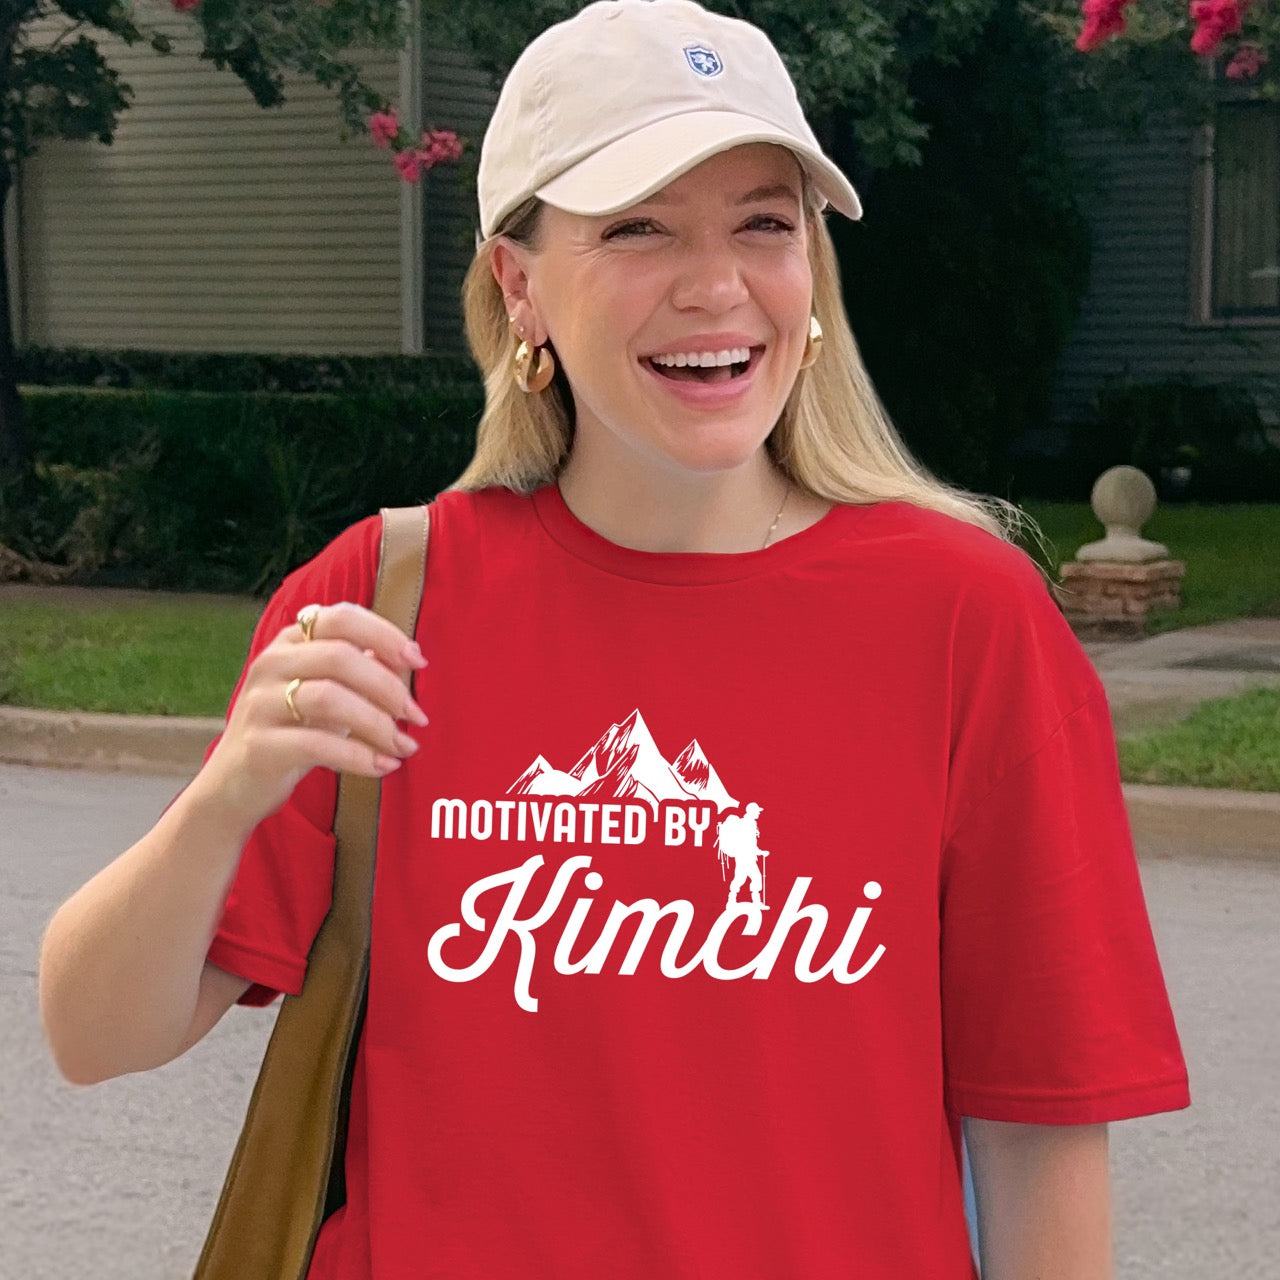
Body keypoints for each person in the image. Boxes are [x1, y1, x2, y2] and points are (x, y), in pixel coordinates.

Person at [37, 2, 1190, 1277]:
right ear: (518, 280)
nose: (715, 286)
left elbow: (1040, 1120)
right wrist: (223, 801)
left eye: (764, 223)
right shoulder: (387, 594)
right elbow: (95, 1033)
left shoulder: (966, 617)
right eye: (638, 228)